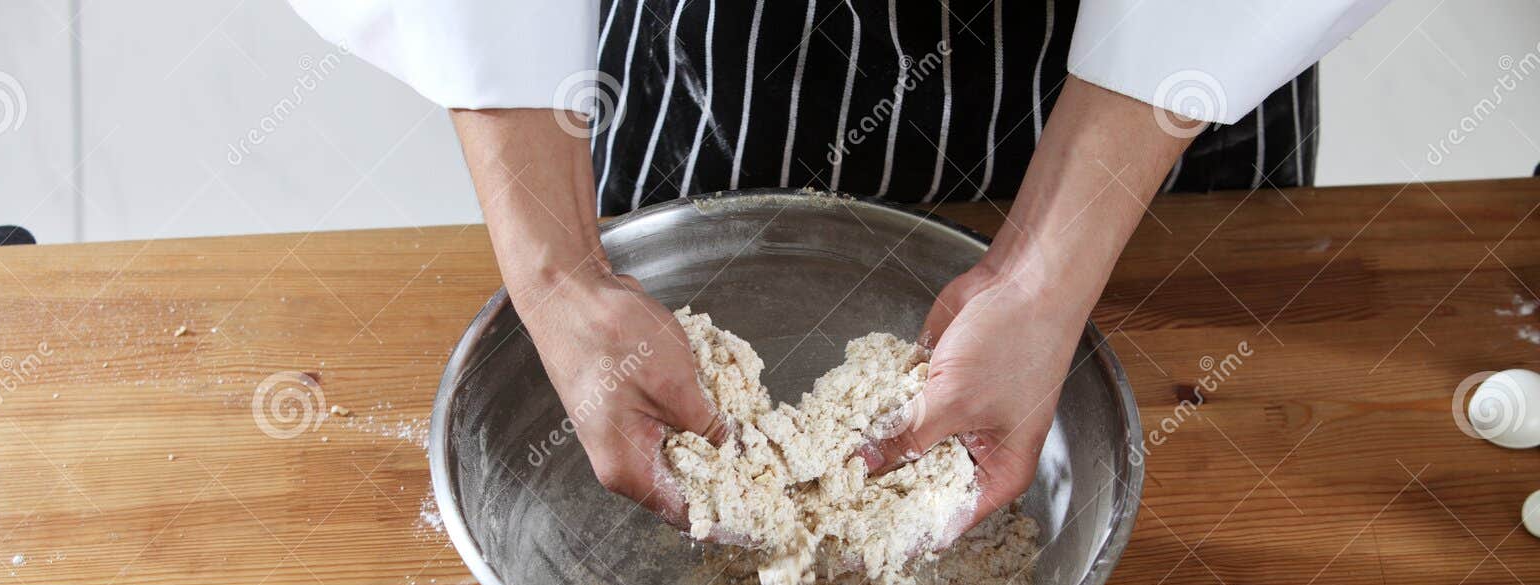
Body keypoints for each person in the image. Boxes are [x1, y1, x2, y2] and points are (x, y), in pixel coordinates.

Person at [294, 0, 1388, 530]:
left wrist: (1046, 276)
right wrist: (560, 275)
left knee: (1215, 515)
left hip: (1160, 80)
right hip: (734, 49)